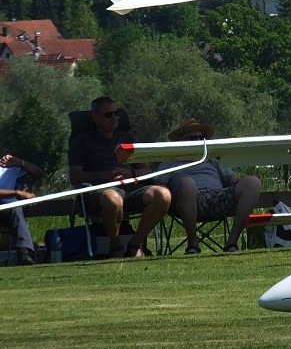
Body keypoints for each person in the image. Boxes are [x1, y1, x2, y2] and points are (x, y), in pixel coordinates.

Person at [67, 96, 171, 258]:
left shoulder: (127, 138)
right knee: (112, 198)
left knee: (163, 195)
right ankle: (116, 247)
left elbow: (146, 169)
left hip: (130, 188)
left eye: (116, 114)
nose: (114, 118)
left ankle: (135, 244)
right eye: (108, 115)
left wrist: (133, 174)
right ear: (95, 117)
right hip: (99, 192)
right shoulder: (81, 141)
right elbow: (74, 176)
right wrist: (104, 175)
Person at [158, 118, 262, 254]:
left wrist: (245, 186)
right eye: (193, 138)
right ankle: (192, 245)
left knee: (253, 182)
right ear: (181, 141)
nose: (198, 141)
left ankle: (232, 243)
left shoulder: (212, 159)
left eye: (201, 137)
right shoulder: (170, 160)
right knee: (187, 183)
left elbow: (233, 179)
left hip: (217, 198)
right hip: (186, 200)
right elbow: (158, 184)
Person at [0, 152, 43, 265]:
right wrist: (17, 192)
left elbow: (38, 173)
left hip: (7, 207)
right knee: (13, 204)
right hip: (8, 204)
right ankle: (26, 251)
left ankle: (25, 253)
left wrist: (19, 162)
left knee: (14, 206)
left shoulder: (7, 166)